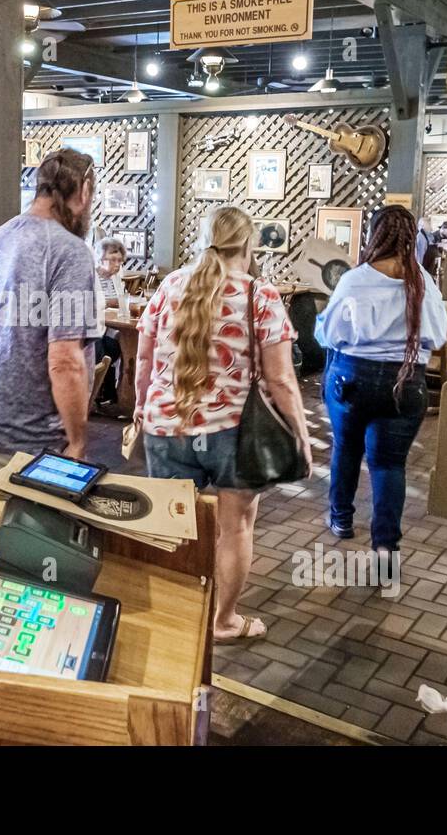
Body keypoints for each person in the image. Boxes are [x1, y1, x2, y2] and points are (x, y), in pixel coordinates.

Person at [133, 206, 311, 642]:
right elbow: (281, 379)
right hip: (233, 432)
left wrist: (141, 408)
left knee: (174, 526)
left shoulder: (170, 286)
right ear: (248, 246)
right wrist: (301, 435)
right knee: (235, 528)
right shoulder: (260, 296)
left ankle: (178, 614)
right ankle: (223, 621)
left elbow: (143, 359)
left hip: (166, 426)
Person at [315, 205, 447, 555]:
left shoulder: (355, 280)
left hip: (352, 378)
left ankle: (341, 518)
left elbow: (330, 334)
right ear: (410, 239)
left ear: (375, 235)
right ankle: (385, 548)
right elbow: (438, 336)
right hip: (406, 382)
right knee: (389, 464)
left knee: (346, 449)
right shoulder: (423, 282)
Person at [0, 149, 101, 475]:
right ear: (84, 190)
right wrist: (78, 441)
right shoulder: (70, 252)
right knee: (30, 528)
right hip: (33, 442)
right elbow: (65, 360)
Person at [93, 237, 126, 414]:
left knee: (117, 347)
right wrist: (109, 302)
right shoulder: (90, 275)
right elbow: (91, 303)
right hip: (90, 327)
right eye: (112, 260)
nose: (117, 265)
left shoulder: (116, 277)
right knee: (100, 347)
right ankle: (98, 395)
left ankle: (110, 394)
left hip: (107, 326)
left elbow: (121, 301)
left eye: (120, 261)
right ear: (100, 258)